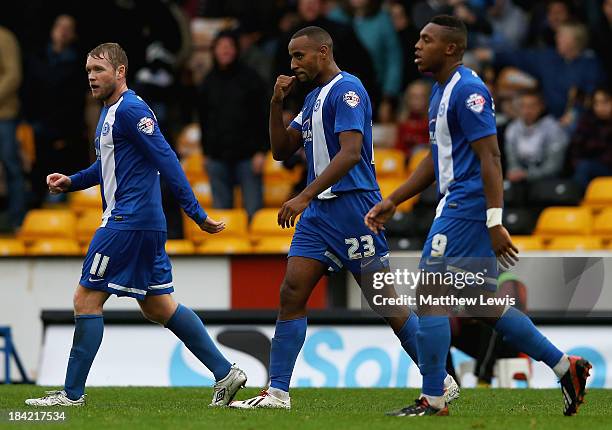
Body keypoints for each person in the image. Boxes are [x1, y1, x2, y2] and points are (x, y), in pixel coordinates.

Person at [365, 15, 591, 417]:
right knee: (482, 303)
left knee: (430, 295)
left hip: (467, 206)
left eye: (426, 39)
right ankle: (565, 366)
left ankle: (433, 398)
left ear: (451, 48)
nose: (417, 45)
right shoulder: (440, 92)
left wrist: (494, 219)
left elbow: (491, 155)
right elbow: (436, 161)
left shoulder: (469, 90)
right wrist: (395, 199)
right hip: (455, 202)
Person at [230, 26, 459, 410]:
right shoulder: (313, 99)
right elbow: (281, 151)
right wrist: (275, 104)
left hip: (353, 208)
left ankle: (439, 379)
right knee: (291, 292)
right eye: (290, 57)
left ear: (322, 52)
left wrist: (303, 194)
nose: (293, 64)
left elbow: (351, 153)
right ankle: (278, 392)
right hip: (320, 213)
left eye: (299, 56)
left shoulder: (347, 90)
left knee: (385, 301)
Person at [24, 43, 246, 407]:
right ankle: (225, 372)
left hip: (127, 222)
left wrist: (195, 214)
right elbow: (109, 166)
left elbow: (167, 158)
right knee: (158, 306)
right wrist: (73, 181)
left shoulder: (131, 109)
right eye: (88, 71)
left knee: (86, 298)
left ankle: (71, 395)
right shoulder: (111, 112)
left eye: (99, 70)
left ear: (121, 70)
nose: (92, 77)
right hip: (142, 222)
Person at [196, 31, 268, 219]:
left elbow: (263, 116)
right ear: (214, 50)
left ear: (236, 50)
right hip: (217, 158)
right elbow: (203, 120)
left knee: (255, 212)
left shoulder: (252, 79)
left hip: (249, 156)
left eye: (229, 46)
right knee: (222, 216)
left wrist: (262, 150)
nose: (225, 51)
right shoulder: (207, 82)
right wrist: (205, 153)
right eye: (221, 46)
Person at [504, 89, 569, 183]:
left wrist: (527, 175)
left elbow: (554, 166)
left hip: (546, 180)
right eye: (523, 106)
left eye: (531, 106)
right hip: (519, 180)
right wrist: (515, 171)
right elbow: (512, 160)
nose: (527, 111)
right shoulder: (512, 129)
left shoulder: (553, 129)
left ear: (541, 106)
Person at [0, 25, 26, 230]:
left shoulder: (4, 38)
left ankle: (18, 221)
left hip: (4, 115)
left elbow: (13, 75)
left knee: (11, 166)